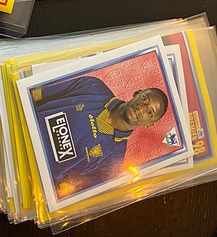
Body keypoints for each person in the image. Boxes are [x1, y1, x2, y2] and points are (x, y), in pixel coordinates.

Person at [31, 75, 168, 198]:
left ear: (149, 124)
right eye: (144, 99)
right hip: (22, 131)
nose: (141, 108)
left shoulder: (113, 162)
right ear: (137, 93)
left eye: (150, 113)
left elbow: (62, 189)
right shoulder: (93, 86)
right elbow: (36, 94)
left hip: (30, 172)